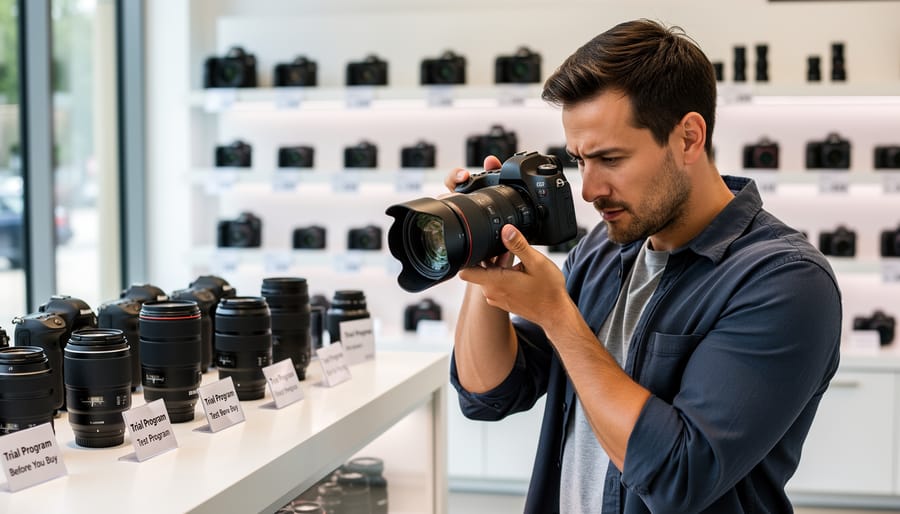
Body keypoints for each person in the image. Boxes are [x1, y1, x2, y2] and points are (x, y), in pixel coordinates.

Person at [446, 19, 842, 513]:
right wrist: (481, 244)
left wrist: (557, 316)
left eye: (610, 158)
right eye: (579, 160)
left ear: (689, 138)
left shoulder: (784, 281)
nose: (589, 189)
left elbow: (679, 477)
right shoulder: (604, 249)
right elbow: (489, 395)